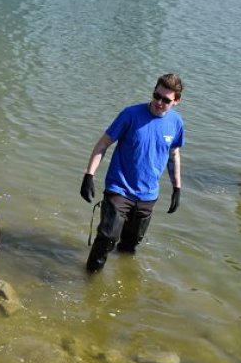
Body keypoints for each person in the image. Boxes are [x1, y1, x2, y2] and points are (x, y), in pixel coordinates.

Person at [79, 74, 185, 273]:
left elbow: (174, 154)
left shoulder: (176, 123)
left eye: (166, 100)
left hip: (148, 195)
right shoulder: (130, 114)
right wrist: (89, 175)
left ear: (176, 101)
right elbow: (103, 144)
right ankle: (89, 281)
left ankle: (121, 288)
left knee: (130, 246)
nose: (159, 102)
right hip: (119, 188)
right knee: (107, 237)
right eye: (156, 95)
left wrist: (177, 188)